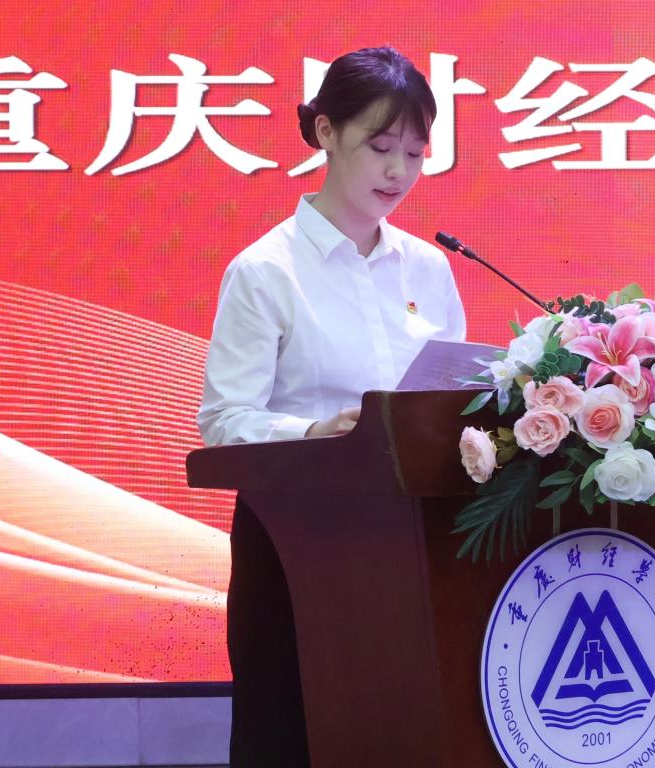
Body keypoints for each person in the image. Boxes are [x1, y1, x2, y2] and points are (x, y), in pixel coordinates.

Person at [196, 46, 466, 767]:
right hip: (297, 546)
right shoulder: (266, 272)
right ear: (324, 132)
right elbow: (224, 420)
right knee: (294, 736)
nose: (398, 171)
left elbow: (453, 400)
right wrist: (318, 432)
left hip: (408, 547)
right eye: (380, 147)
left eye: (415, 153)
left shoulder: (429, 268)